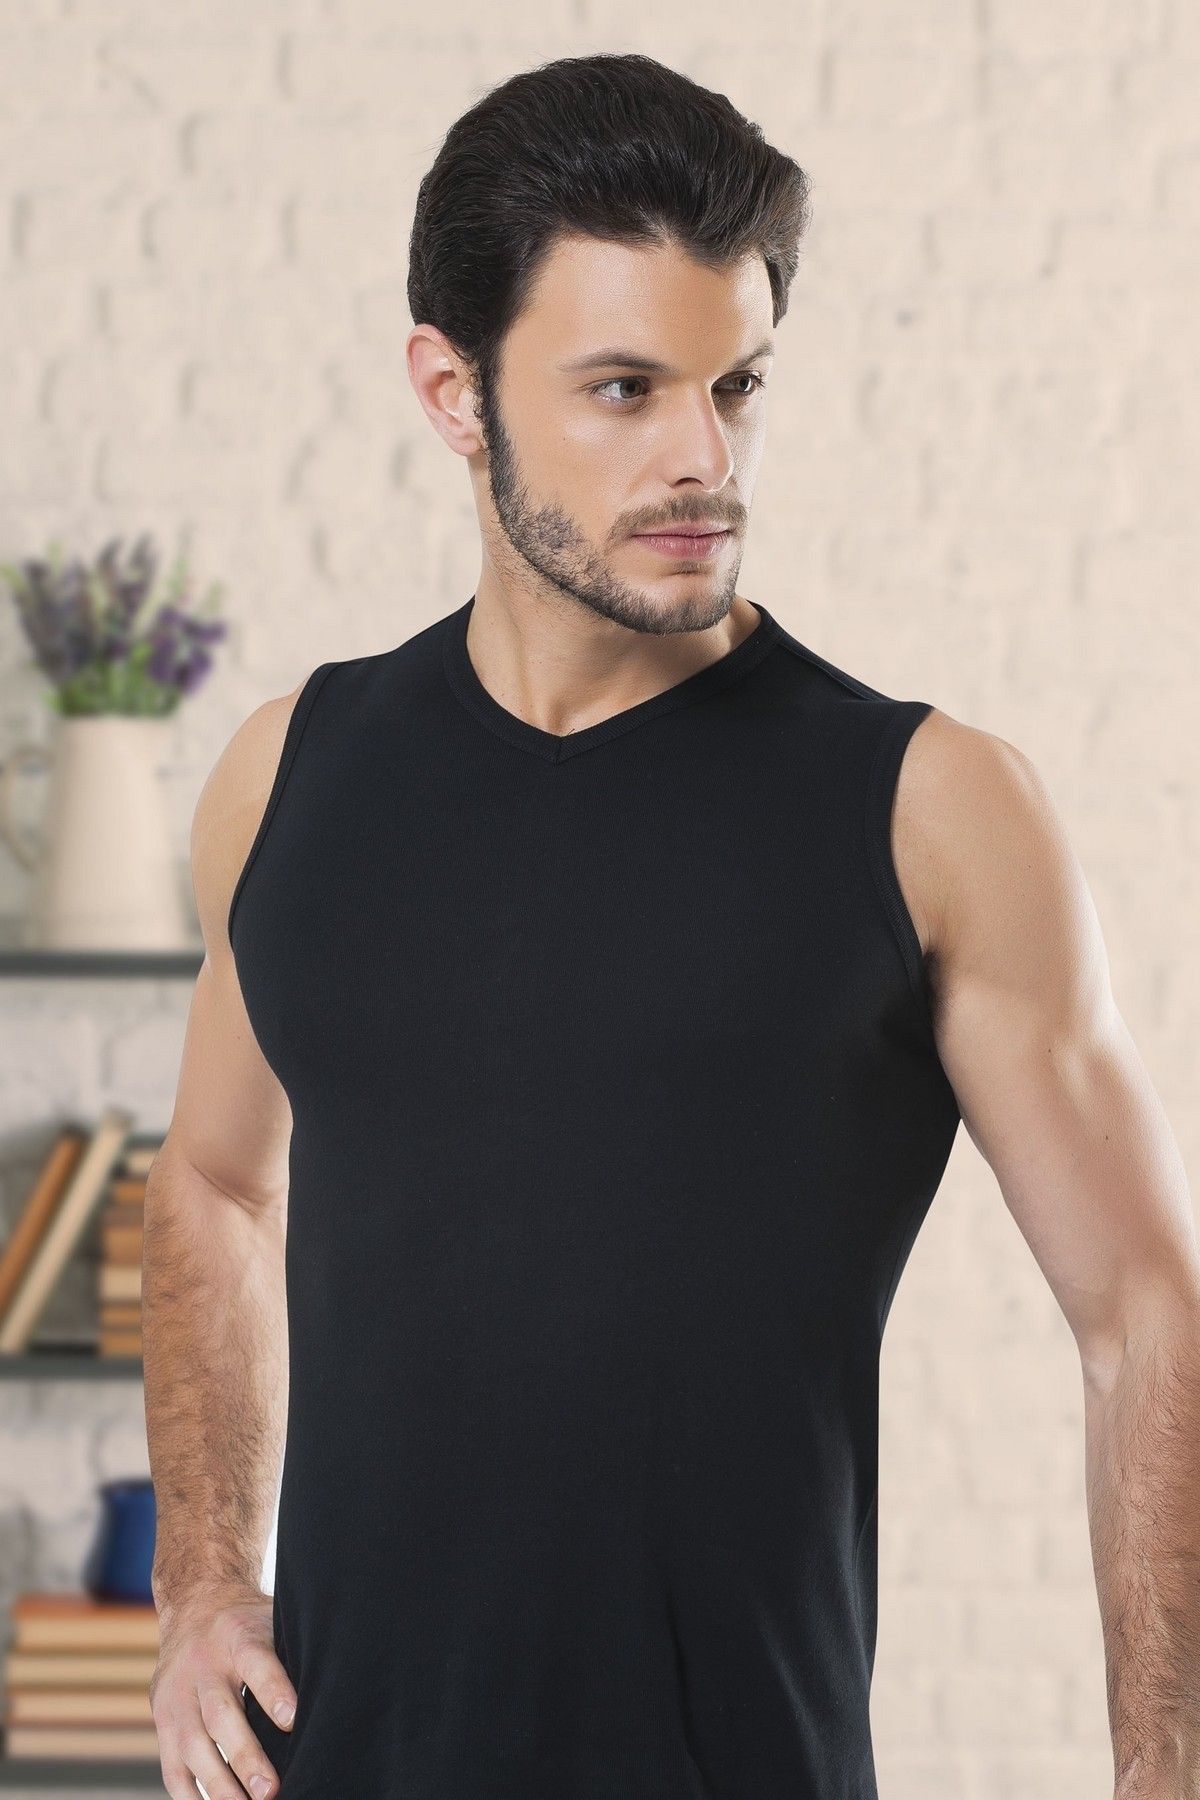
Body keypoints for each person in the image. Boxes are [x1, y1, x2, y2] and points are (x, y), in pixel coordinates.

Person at [142, 51, 1200, 1800]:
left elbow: (1147, 1315)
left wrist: (1164, 1771)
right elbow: (209, 1180)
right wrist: (197, 1581)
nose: (704, 458)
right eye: (624, 390)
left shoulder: (931, 811)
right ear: (453, 391)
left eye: (738, 386)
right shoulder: (291, 776)